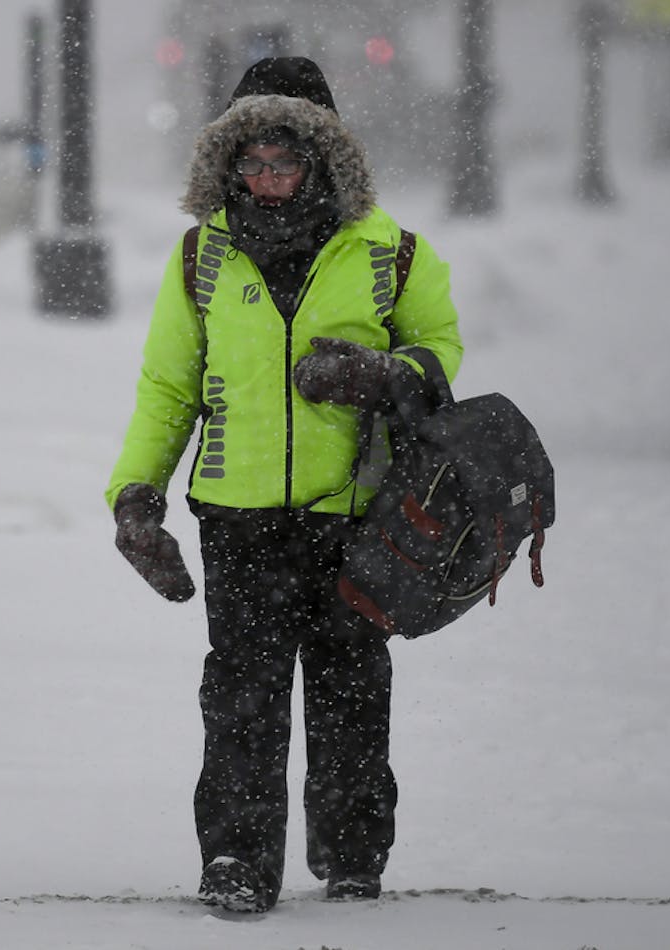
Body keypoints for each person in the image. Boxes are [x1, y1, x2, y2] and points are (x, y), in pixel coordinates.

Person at [105, 57, 463, 914]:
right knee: (242, 693)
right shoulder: (200, 258)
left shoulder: (394, 254)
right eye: (252, 165)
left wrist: (381, 373)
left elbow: (439, 355)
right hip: (238, 516)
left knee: (350, 687)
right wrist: (136, 495)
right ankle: (235, 861)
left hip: (357, 514)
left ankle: (351, 857)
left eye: (284, 163)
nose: (267, 181)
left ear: (323, 160)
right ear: (229, 165)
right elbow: (168, 389)